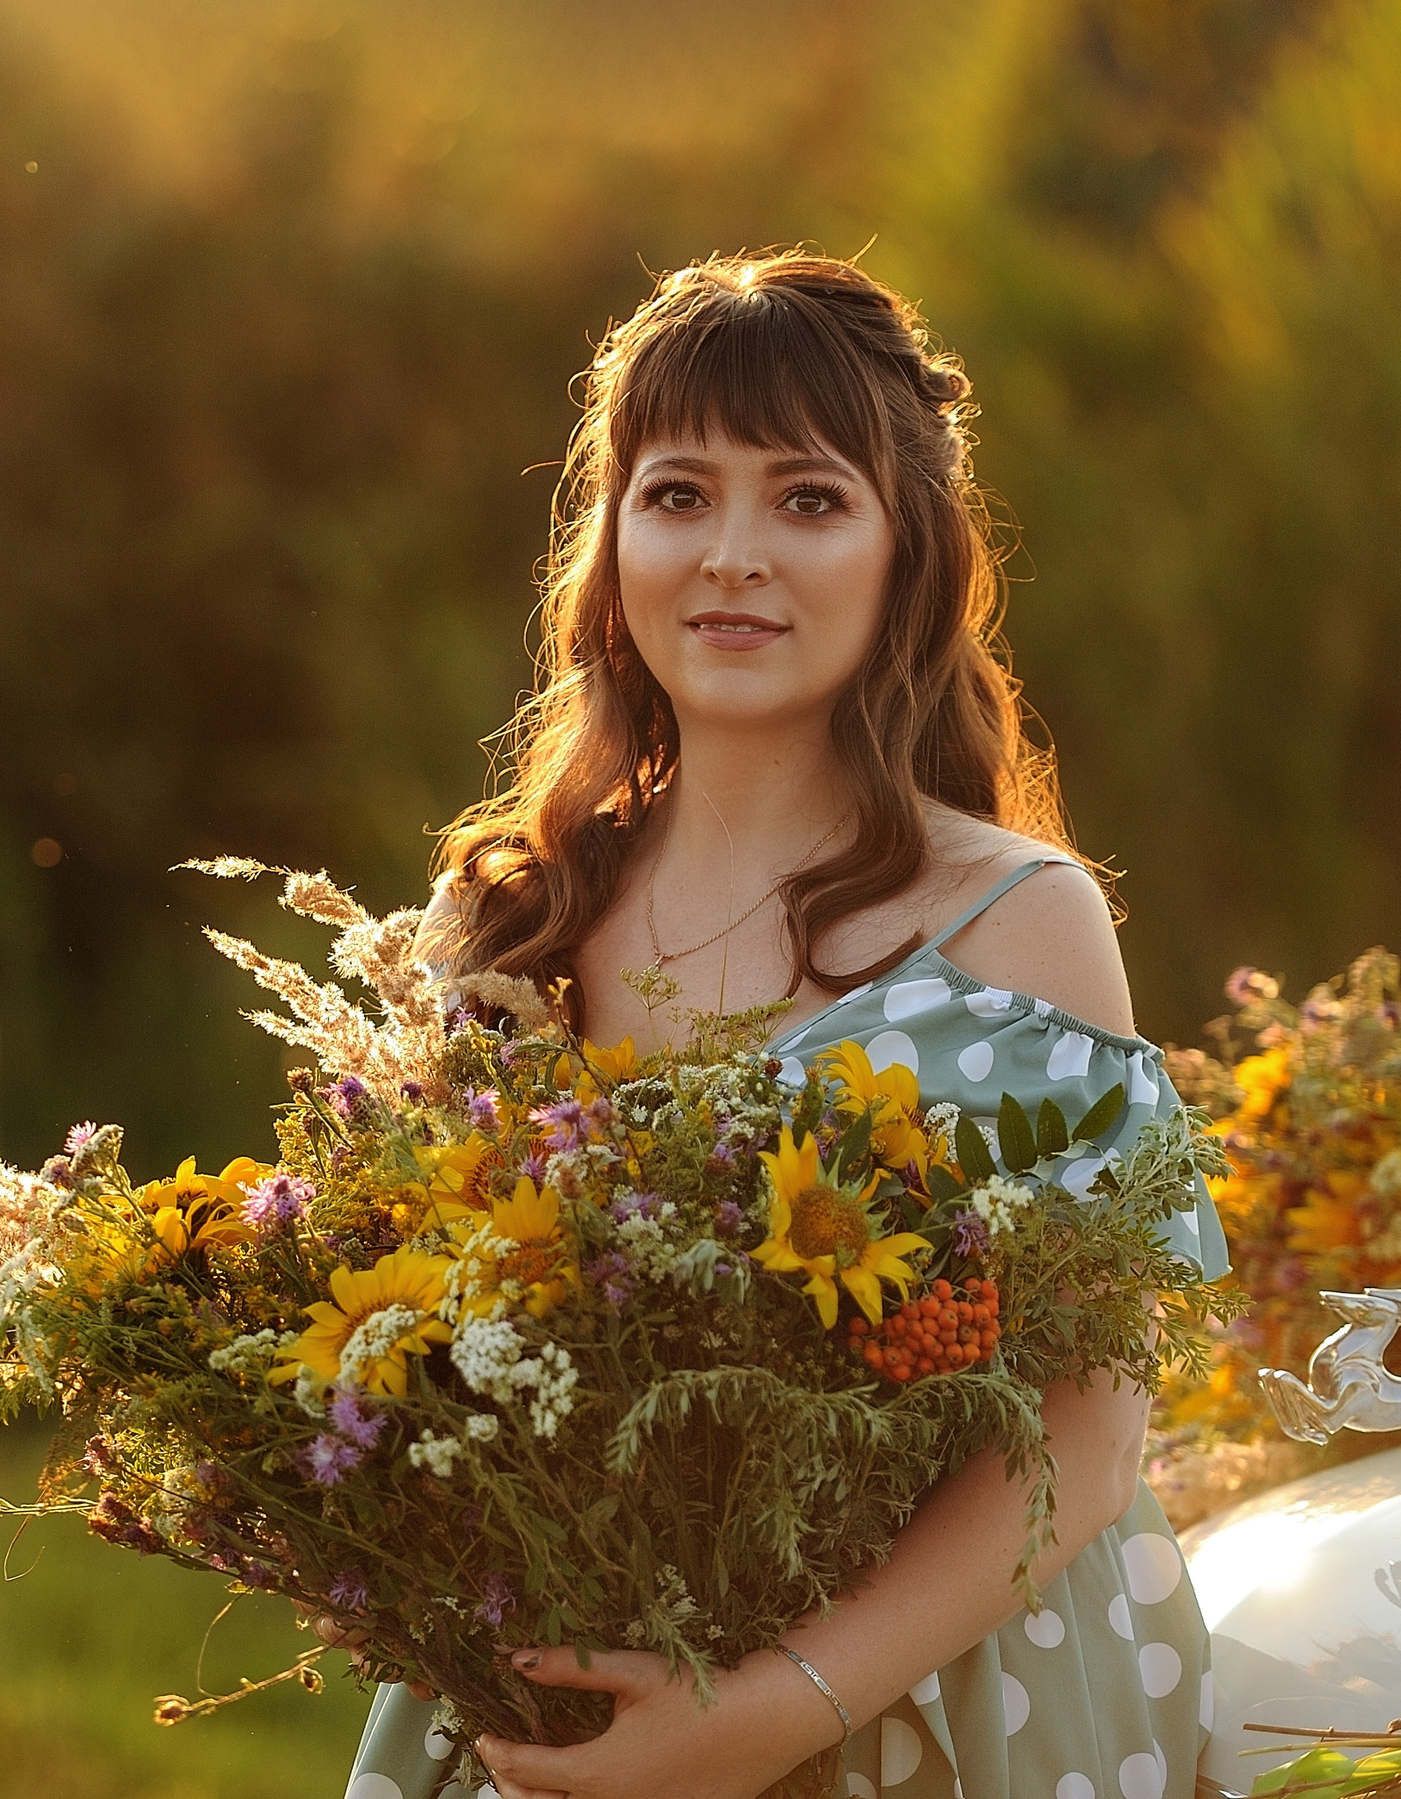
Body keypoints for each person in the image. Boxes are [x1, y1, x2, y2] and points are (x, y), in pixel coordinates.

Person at [334, 251, 1230, 1799]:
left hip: (937, 1711)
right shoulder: (500, 930)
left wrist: (774, 1710)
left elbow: (1087, 1436)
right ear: (611, 541)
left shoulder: (1016, 924)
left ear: (907, 552)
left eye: (808, 499)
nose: (733, 555)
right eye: (679, 494)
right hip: (566, 1713)